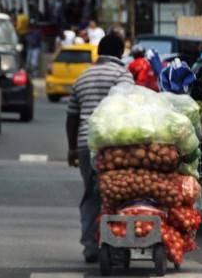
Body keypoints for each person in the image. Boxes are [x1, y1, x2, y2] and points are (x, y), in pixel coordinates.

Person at [66, 34, 134, 263]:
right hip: (114, 145)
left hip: (86, 143)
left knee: (91, 194)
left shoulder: (83, 76)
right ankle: (117, 241)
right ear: (120, 53)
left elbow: (72, 116)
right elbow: (128, 108)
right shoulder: (123, 75)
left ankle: (90, 246)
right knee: (117, 193)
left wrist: (72, 149)